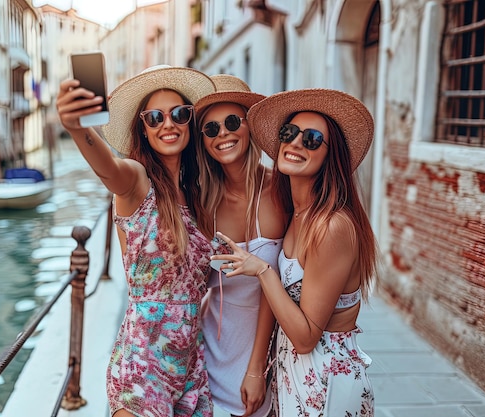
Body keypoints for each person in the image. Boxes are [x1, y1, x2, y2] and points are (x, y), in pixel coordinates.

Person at [56, 65, 217, 417]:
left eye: (178, 114)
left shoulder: (198, 194)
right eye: (155, 117)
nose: (168, 124)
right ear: (143, 129)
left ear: (190, 120)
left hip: (191, 368)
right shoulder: (137, 181)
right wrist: (77, 128)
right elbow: (109, 170)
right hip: (142, 368)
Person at [211, 89, 377, 417]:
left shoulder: (332, 226)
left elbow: (305, 337)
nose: (296, 143)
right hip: (295, 376)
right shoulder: (299, 213)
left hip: (326, 383)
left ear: (332, 156)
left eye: (313, 139)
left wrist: (262, 270)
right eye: (289, 133)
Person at [194, 75, 289, 417]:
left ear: (249, 127)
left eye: (232, 122)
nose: (223, 133)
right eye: (211, 129)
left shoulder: (281, 189)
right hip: (211, 345)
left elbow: (272, 284)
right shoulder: (202, 201)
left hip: (263, 350)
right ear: (203, 141)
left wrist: (255, 368)